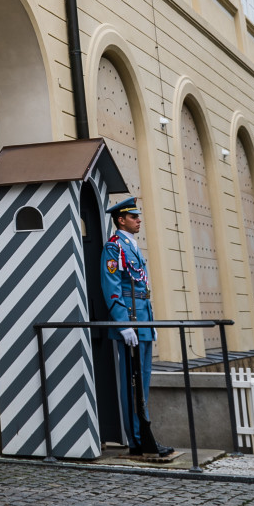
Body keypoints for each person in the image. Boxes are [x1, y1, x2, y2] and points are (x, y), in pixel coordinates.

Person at [101, 195, 173, 460]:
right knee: (133, 384)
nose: (138, 220)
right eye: (134, 217)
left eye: (138, 216)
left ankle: (143, 437)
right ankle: (139, 439)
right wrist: (123, 324)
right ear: (121, 220)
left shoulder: (131, 246)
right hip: (130, 321)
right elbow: (112, 286)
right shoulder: (114, 247)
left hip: (142, 319)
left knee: (142, 381)